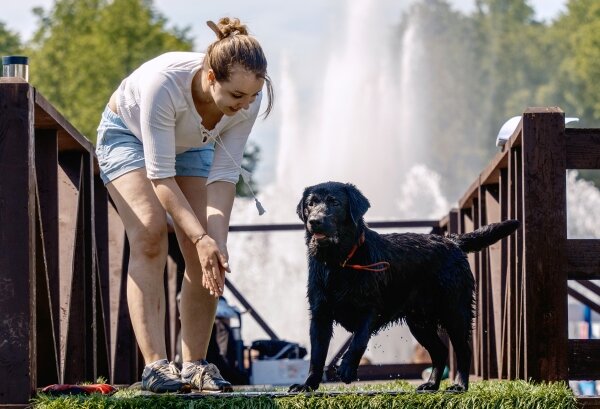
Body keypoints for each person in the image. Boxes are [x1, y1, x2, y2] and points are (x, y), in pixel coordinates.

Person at [95, 17, 273, 393]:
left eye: (253, 96)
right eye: (237, 97)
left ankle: (195, 365)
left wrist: (215, 241)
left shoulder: (247, 103)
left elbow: (225, 177)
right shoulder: (166, 85)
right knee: (149, 233)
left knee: (205, 248)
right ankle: (156, 366)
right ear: (210, 77)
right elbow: (161, 177)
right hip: (127, 136)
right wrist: (200, 236)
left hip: (195, 145)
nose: (245, 106)